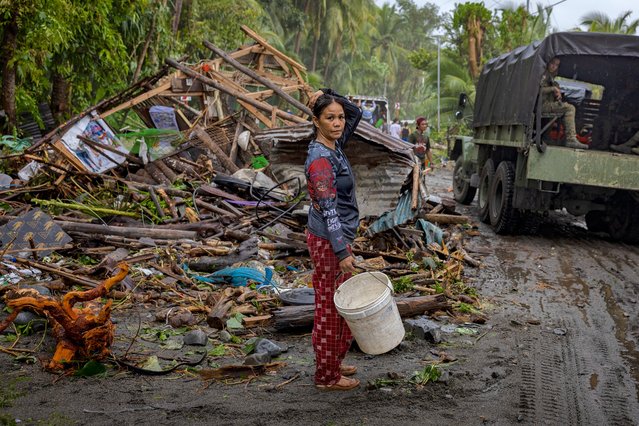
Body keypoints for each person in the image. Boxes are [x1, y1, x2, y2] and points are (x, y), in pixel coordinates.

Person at [304, 88, 362, 391]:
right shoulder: (320, 160)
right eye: (330, 118)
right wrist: (342, 252)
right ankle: (326, 376)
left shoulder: (334, 146)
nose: (338, 122)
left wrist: (328, 94)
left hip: (336, 236)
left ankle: (333, 361)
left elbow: (357, 114)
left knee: (338, 302)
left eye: (339, 118)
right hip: (329, 240)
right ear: (317, 121)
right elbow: (328, 211)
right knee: (329, 305)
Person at [540, 57, 588, 149]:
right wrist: (553, 89)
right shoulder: (543, 75)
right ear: (548, 63)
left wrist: (557, 94)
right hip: (541, 105)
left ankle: (548, 137)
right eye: (552, 63)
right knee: (570, 108)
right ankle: (570, 139)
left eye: (557, 65)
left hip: (546, 104)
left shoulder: (551, 78)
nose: (554, 66)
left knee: (563, 108)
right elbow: (537, 91)